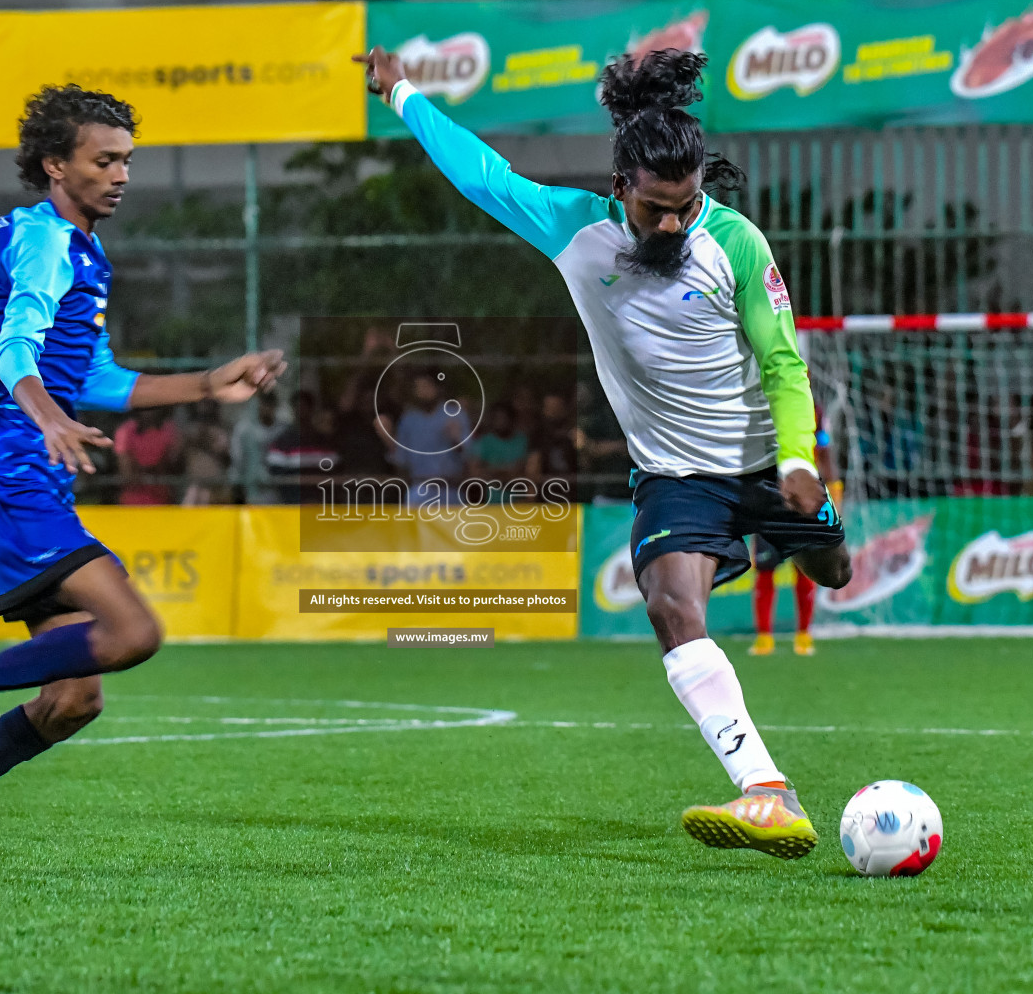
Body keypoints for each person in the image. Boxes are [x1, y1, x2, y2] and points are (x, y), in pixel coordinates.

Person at [358, 45, 851, 860]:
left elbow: (783, 362)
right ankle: (767, 789)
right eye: (656, 208)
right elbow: (479, 172)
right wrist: (403, 93)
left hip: (768, 465)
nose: (672, 223)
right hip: (674, 477)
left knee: (832, 571)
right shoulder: (573, 229)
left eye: (685, 206)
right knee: (666, 604)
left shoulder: (735, 241)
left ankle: (753, 547)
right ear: (620, 186)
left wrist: (798, 460)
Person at [0, 84, 284, 857]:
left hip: (28, 472)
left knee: (73, 700)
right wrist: (43, 412)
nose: (121, 175)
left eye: (127, 160)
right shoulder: (44, 239)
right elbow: (16, 344)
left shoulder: (82, 249)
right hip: (10, 465)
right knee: (132, 632)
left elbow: (96, 379)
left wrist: (206, 382)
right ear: (56, 165)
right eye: (104, 160)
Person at [749, 404, 841, 657]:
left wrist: (834, 490)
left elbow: (824, 449)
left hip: (805, 502)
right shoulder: (763, 407)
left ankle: (803, 634)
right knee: (765, 568)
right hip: (770, 500)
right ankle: (764, 637)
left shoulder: (816, 412)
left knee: (806, 568)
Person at [112, 406, 181, 505]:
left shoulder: (169, 430)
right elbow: (126, 470)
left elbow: (173, 464)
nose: (148, 412)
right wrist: (148, 471)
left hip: (163, 501)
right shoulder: (125, 431)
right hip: (131, 502)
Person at [228, 390, 283, 504]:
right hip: (248, 487)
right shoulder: (244, 430)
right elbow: (237, 458)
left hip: (276, 489)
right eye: (264, 404)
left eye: (270, 404)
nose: (267, 408)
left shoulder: (282, 430)